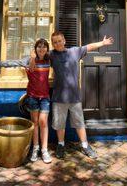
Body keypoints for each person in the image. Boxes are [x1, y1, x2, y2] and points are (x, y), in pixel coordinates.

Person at [0, 38, 52, 164]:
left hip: (45, 97)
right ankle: (36, 148)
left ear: (47, 49)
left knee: (43, 122)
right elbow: (12, 62)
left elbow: (63, 58)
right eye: (39, 46)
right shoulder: (28, 60)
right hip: (32, 96)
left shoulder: (49, 59)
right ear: (35, 48)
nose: (42, 49)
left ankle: (44, 150)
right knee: (35, 123)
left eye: (44, 47)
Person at [49, 31, 114, 159]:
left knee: (79, 123)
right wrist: (33, 55)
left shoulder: (74, 51)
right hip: (58, 97)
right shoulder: (51, 55)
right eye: (55, 42)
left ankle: (85, 145)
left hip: (74, 96)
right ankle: (61, 145)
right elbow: (39, 53)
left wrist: (103, 43)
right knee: (59, 124)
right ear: (52, 44)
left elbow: (89, 46)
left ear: (64, 41)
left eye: (59, 41)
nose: (57, 44)